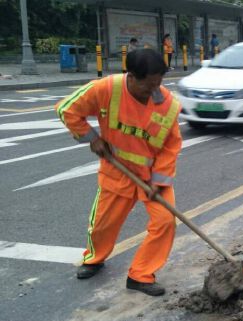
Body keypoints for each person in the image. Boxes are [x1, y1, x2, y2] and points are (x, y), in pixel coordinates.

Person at [55, 49, 183, 296]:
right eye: (149, 85)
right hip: (118, 169)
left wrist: (159, 180)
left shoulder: (166, 103)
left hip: (152, 175)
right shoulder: (107, 89)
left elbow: (171, 145)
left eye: (159, 83)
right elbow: (67, 109)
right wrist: (92, 138)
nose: (154, 90)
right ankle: (94, 258)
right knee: (103, 224)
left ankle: (141, 275)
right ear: (131, 76)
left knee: (166, 221)